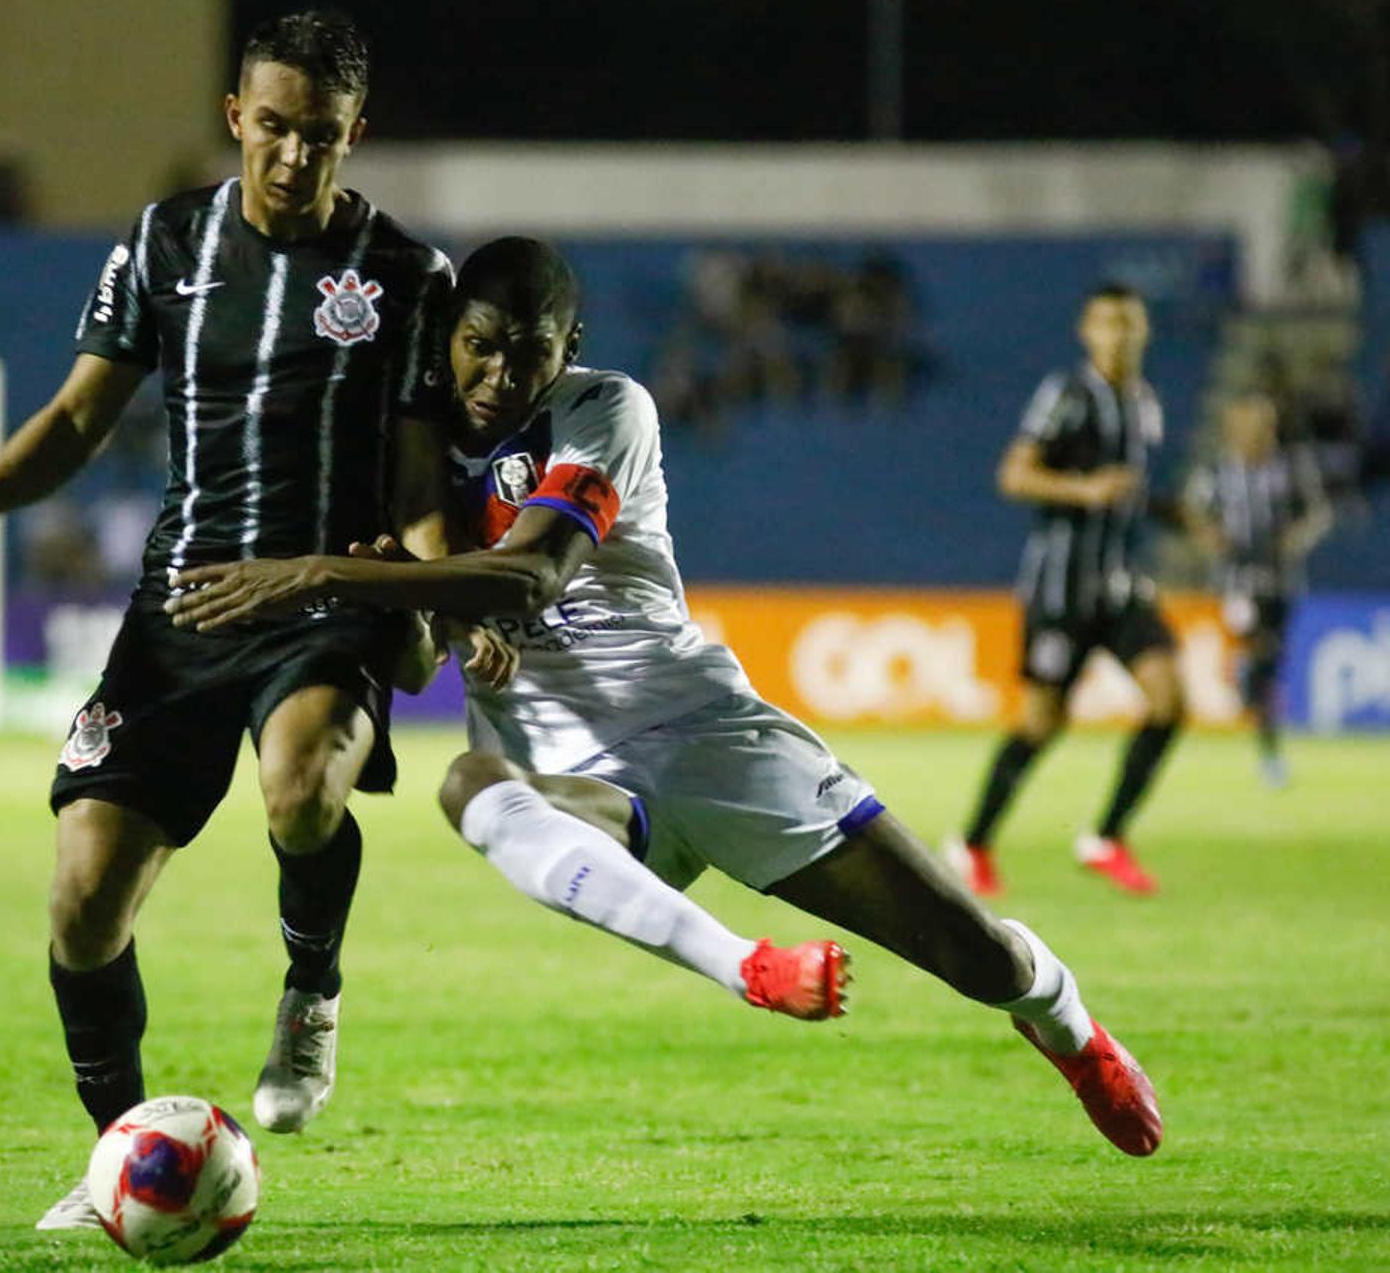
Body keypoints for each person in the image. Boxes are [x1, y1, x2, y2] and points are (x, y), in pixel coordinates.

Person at [164, 237, 1163, 1159]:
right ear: (447, 338)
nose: (499, 376)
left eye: (529, 352)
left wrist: (321, 574)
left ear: (572, 346)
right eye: (478, 347)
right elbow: (423, 660)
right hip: (580, 779)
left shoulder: (608, 411)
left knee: (973, 952)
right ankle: (747, 967)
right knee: (470, 783)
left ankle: (1068, 1025)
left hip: (704, 734)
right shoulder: (404, 460)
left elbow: (532, 578)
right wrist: (421, 613)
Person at [0, 9, 469, 1230]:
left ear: (356, 133)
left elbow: (420, 489)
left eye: (321, 135)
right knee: (83, 901)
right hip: (180, 611)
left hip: (322, 597)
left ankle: (311, 991)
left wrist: (428, 604)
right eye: (273, 127)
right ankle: (121, 1160)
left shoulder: (410, 278)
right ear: (235, 119)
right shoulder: (162, 243)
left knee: (302, 786)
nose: (294, 157)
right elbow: (76, 420)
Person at [948, 284, 1184, 898]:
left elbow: (1127, 489)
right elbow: (1015, 473)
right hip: (1062, 586)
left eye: (1130, 323)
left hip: (1121, 583)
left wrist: (1172, 513)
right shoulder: (1068, 394)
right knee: (1042, 721)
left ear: (1144, 332)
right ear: (1087, 329)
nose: (1120, 334)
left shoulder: (1146, 404)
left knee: (1168, 701)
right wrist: (1086, 490)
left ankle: (1106, 837)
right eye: (1108, 322)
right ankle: (972, 842)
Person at [1183, 391, 1331, 786]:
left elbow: (1317, 513)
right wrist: (1211, 537)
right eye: (1249, 426)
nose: (1256, 434)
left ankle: (1256, 699)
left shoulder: (1290, 468)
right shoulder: (1217, 470)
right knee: (1259, 645)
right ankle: (1249, 675)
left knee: (1271, 664)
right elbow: (1194, 512)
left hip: (1281, 581)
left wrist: (1294, 538)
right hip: (1237, 581)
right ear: (1234, 429)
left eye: (1264, 427)